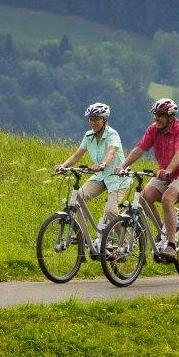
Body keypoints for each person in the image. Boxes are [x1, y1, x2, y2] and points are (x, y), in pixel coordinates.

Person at [119, 96, 179, 261]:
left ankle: (171, 246)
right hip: (165, 173)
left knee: (167, 198)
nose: (156, 119)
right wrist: (123, 166)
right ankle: (165, 231)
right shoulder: (153, 129)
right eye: (155, 115)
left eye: (160, 116)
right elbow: (140, 148)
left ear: (170, 117)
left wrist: (169, 170)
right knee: (144, 197)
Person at [53, 101, 129, 254]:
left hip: (117, 177)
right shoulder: (88, 136)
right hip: (101, 176)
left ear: (104, 120)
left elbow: (111, 152)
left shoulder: (112, 134)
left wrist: (102, 164)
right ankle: (82, 234)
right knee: (79, 197)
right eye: (91, 119)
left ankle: (124, 242)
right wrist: (64, 165)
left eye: (97, 119)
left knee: (110, 211)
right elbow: (77, 155)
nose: (93, 122)